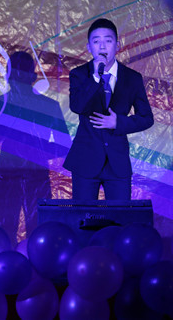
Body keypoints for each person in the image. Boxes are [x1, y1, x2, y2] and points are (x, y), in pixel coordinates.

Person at [63, 18, 154, 200]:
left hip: (117, 162)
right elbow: (77, 106)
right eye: (96, 41)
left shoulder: (132, 78)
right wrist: (96, 78)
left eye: (108, 40)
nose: (102, 46)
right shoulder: (79, 74)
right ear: (89, 47)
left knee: (120, 215)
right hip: (85, 159)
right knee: (83, 215)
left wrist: (118, 122)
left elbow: (146, 118)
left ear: (117, 45)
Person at [0, 51, 68, 244]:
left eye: (18, 75)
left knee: (37, 231)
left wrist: (36, 151)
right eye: (15, 75)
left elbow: (64, 144)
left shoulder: (48, 105)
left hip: (34, 174)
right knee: (6, 231)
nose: (16, 80)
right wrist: (10, 115)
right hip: (9, 175)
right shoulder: (0, 103)